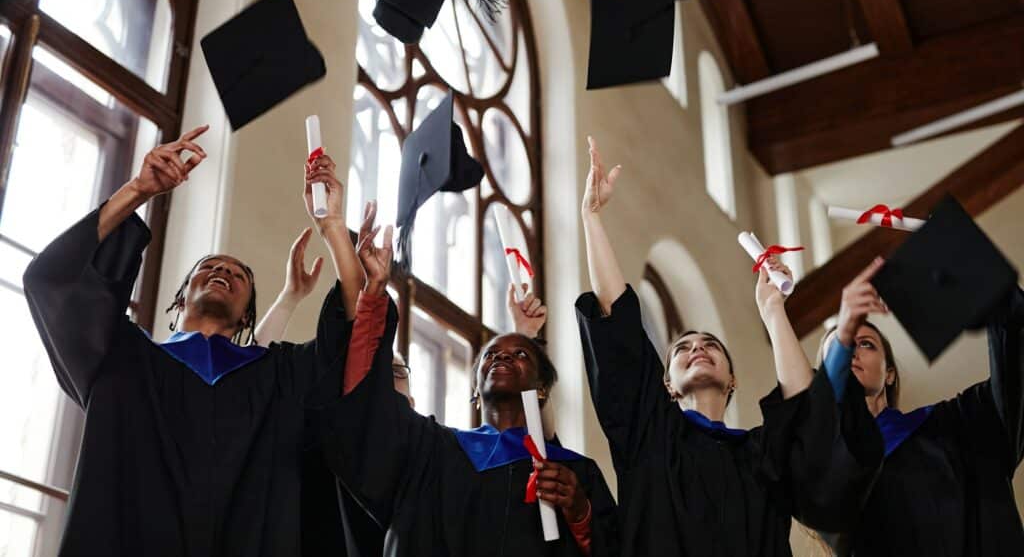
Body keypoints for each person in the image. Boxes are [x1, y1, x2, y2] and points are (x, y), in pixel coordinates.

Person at [22, 126, 364, 556]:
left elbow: (354, 338)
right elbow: (52, 280)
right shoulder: (122, 358)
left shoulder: (279, 381)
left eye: (240, 276)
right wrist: (139, 190)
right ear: (181, 295)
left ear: (247, 317)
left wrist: (332, 227)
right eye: (210, 267)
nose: (224, 272)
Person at [574, 136, 881, 556]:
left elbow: (804, 405)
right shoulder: (651, 436)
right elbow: (617, 315)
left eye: (710, 345)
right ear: (665, 383)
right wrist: (591, 218)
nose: (698, 348)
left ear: (732, 378)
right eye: (683, 348)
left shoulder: (761, 456)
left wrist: (773, 311)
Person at [308, 202, 620, 556]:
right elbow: (364, 412)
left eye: (520, 354)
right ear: (475, 391)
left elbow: (612, 546)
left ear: (543, 389)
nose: (501, 355)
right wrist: (374, 293)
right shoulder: (431, 450)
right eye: (490, 355)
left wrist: (581, 514)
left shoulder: (573, 473)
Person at [817, 258, 1024, 555]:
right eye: (839, 348)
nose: (850, 352)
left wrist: (982, 281)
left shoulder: (957, 425)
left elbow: (1014, 370)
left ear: (889, 373)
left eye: (865, 344)